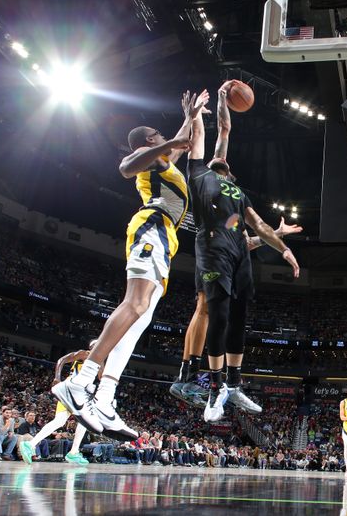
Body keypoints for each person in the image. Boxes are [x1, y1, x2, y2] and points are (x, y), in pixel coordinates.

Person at [53, 90, 209, 438]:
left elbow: (184, 143)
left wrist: (192, 115)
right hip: (150, 229)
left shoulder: (165, 164)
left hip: (165, 241)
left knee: (139, 322)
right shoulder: (144, 155)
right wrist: (181, 131)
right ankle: (81, 381)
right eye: (160, 137)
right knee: (134, 304)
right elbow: (126, 167)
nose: (167, 142)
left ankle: (105, 398)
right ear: (151, 140)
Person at [187, 82, 299, 422]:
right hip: (212, 253)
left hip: (239, 257)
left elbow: (258, 229)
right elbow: (221, 128)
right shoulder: (199, 174)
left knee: (239, 319)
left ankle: (233, 385)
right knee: (217, 317)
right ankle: (214, 389)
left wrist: (284, 248)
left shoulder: (237, 192)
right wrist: (216, 100)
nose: (222, 153)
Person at [171, 216, 302, 407]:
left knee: (202, 310)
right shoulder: (225, 205)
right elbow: (238, 239)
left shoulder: (231, 211)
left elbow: (245, 243)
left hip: (214, 255)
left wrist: (277, 233)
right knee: (204, 310)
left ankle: (184, 378)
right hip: (213, 257)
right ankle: (187, 379)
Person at [21, 344, 97, 465]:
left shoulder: (98, 362)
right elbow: (62, 359)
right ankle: (73, 452)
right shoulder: (85, 354)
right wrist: (57, 377)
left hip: (79, 392)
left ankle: (30, 444)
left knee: (62, 421)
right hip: (71, 389)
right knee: (83, 420)